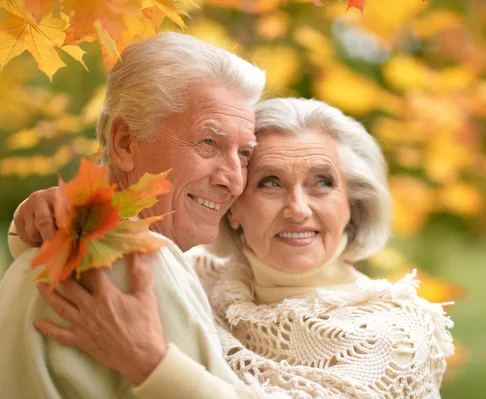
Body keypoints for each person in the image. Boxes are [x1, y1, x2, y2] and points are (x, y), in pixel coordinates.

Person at [11, 98, 454, 398]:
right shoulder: (197, 276)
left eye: (322, 183)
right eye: (270, 184)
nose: (298, 209)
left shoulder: (398, 334)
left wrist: (151, 364)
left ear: (352, 205)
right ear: (233, 208)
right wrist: (43, 217)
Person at [0, 31, 286, 399]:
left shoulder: (39, 253)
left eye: (244, 155)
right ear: (124, 143)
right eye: (208, 142)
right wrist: (154, 365)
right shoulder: (142, 257)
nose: (233, 180)